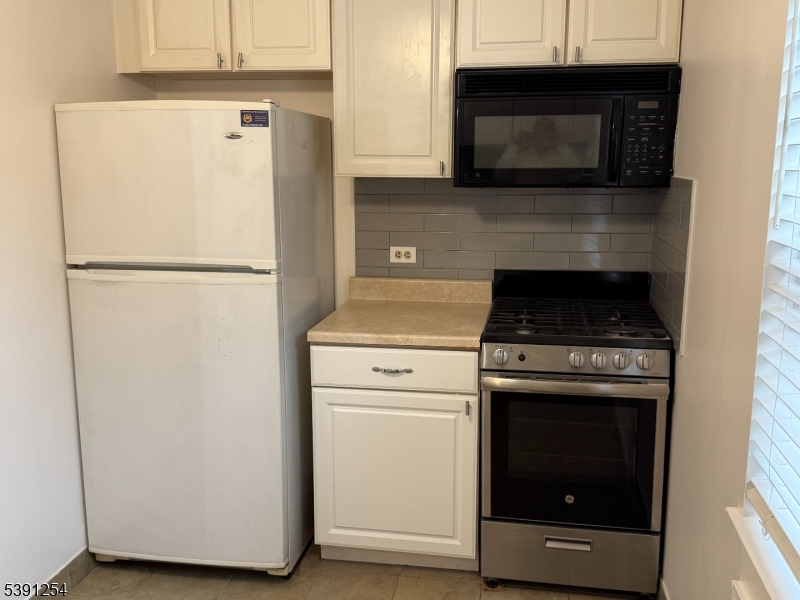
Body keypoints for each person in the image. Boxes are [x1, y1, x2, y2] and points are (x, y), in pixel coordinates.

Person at [495, 117, 581, 169]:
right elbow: (500, 175)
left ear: (552, 135)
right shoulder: (521, 157)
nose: (540, 134)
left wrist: (561, 146)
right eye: (538, 130)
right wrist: (515, 146)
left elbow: (575, 176)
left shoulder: (562, 158)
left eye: (545, 130)